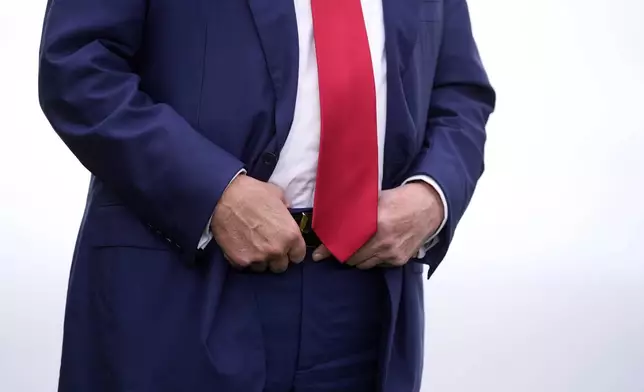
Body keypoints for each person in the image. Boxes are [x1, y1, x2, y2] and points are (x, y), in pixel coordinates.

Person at [38, 0, 495, 390]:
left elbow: (459, 92)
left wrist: (433, 197)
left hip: (367, 299)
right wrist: (214, 192)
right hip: (181, 280)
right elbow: (78, 66)